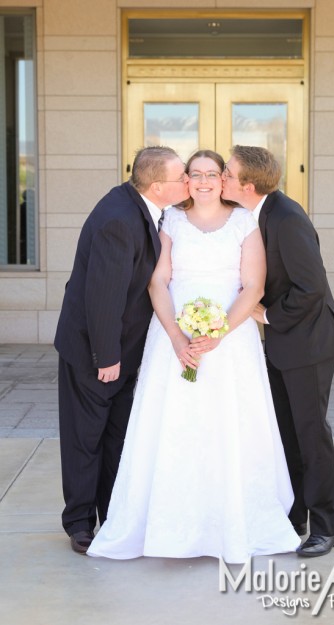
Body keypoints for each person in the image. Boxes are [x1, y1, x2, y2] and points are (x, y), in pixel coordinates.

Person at [87, 149, 300, 563]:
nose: (203, 181)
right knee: (174, 423)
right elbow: (158, 280)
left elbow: (253, 287)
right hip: (173, 334)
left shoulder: (244, 222)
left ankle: (232, 522)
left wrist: (216, 334)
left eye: (213, 174)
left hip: (230, 339)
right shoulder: (172, 221)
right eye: (196, 173)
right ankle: (169, 524)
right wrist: (176, 336)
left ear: (224, 179)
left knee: (229, 423)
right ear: (186, 179)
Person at [54, 146, 189, 555]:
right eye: (182, 177)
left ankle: (113, 516)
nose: (187, 183)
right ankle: (79, 524)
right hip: (94, 351)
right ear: (156, 185)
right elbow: (104, 297)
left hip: (124, 349)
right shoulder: (119, 219)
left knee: (116, 437)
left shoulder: (144, 207)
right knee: (86, 438)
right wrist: (107, 357)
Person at [221, 145, 334, 558]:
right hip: (281, 346)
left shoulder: (288, 218)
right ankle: (296, 516)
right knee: (287, 434)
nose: (222, 176)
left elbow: (310, 288)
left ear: (248, 185)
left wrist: (267, 315)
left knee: (311, 435)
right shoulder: (257, 214)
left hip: (308, 344)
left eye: (228, 172)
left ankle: (326, 528)